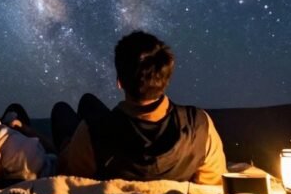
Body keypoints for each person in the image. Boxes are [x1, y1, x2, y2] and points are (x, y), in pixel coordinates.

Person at [53, 31, 226, 185]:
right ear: (166, 78)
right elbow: (212, 179)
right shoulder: (199, 124)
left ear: (119, 82)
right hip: (113, 138)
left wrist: (69, 145)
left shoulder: (91, 131)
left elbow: (72, 176)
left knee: (62, 110)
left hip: (97, 139)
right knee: (88, 101)